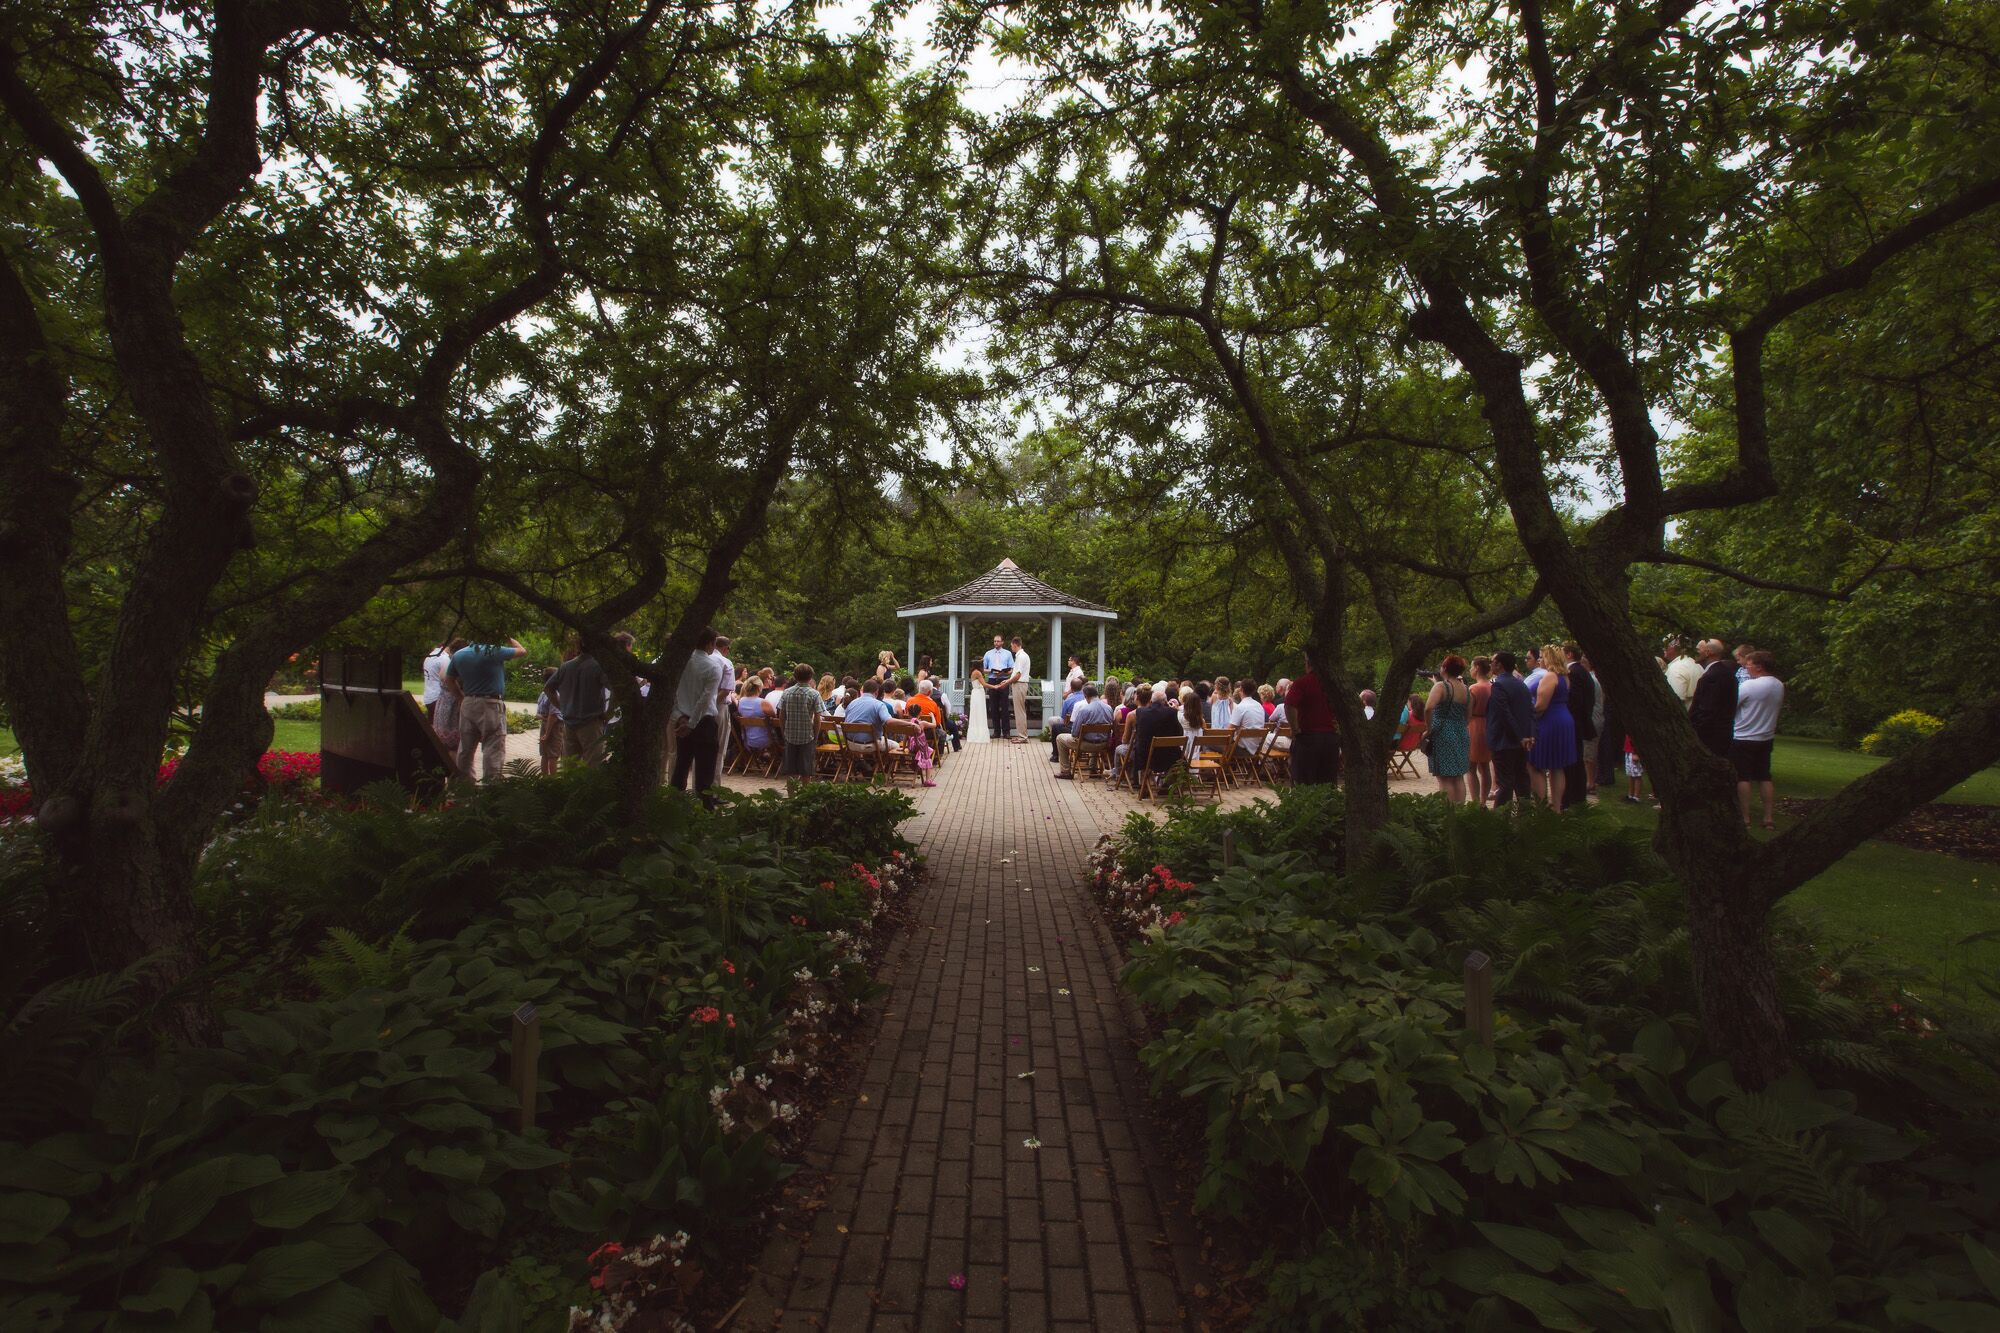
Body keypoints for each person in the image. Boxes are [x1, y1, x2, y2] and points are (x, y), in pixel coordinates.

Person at [445, 636, 526, 783]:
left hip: (468, 702)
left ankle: (464, 790)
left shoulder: (459, 654)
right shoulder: (494, 651)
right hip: (491, 704)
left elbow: (449, 679)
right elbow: (522, 651)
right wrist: (507, 637)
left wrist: (460, 697)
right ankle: (491, 790)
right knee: (493, 748)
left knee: (465, 749)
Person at [669, 627, 725, 800]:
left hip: (682, 719)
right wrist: (692, 724)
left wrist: (680, 718)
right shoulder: (713, 666)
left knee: (681, 766)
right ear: (710, 643)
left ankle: (674, 804)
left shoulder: (679, 663)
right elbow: (706, 699)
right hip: (703, 723)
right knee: (705, 772)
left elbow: (673, 693)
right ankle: (705, 810)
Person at [546, 634, 617, 768]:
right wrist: (609, 713)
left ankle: (569, 789)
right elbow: (616, 689)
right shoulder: (598, 666)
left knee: (569, 767)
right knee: (592, 766)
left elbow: (548, 688)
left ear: (579, 646)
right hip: (591, 724)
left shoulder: (566, 667)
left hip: (569, 724)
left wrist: (561, 707)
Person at [1733, 650, 1785, 830]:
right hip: (1766, 736)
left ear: (1759, 667)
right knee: (1764, 776)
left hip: (1743, 736)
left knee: (1743, 777)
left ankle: (1745, 817)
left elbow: (1733, 704)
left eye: (1749, 663)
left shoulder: (1749, 686)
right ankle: (1768, 817)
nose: (1746, 666)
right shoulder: (1778, 685)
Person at [1529, 642, 1578, 808]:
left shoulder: (1550, 676)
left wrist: (1528, 717)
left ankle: (1540, 805)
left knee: (1536, 764)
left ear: (1549, 658)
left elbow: (1542, 705)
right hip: (1564, 719)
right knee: (1557, 766)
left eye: (1542, 657)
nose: (1540, 660)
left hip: (1550, 721)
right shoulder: (1565, 676)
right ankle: (1556, 806)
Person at [1485, 650, 1537, 805]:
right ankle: (1525, 812)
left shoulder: (1499, 685)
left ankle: (1501, 817)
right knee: (1521, 779)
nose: (1490, 664)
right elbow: (1530, 711)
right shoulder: (1521, 684)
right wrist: (1530, 734)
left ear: (1499, 665)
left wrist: (1521, 735)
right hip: (1521, 741)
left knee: (1505, 782)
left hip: (1504, 739)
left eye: (1492, 661)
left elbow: (1504, 713)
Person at [1285, 651, 1340, 785]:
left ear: (1308, 663)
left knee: (1303, 783)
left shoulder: (1302, 682)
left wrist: (1295, 728)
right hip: (1331, 738)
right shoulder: (1334, 684)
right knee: (1328, 783)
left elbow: (1289, 705)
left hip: (1308, 737)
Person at [1424, 656, 1472, 802]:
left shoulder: (1441, 687)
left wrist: (1429, 729)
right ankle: (1460, 813)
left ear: (1444, 668)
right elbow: (1468, 716)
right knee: (1458, 777)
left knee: (1444, 778)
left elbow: (1428, 708)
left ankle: (1448, 813)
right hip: (1461, 732)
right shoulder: (1466, 690)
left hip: (1442, 733)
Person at [1688, 638, 1739, 759]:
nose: (1694, 653)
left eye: (1698, 649)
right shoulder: (1726, 673)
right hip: (1722, 735)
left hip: (1710, 738)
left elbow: (1706, 711)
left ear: (1708, 652)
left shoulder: (1713, 676)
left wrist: (1694, 735)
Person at [1562, 643, 1597, 810]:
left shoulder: (1574, 673)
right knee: (1576, 760)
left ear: (1569, 654)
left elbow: (1574, 702)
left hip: (1574, 724)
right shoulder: (1581, 672)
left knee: (1572, 762)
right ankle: (1576, 795)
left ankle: (1572, 796)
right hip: (1579, 722)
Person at [1054, 683, 1115, 777]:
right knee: (1094, 736)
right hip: (1103, 744)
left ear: (1086, 696)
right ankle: (1093, 769)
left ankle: (1065, 771)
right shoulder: (1109, 708)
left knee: (1060, 738)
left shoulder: (1085, 710)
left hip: (1086, 745)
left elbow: (1074, 733)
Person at [775, 663, 823, 782]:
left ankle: (791, 796)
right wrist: (816, 735)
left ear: (795, 676)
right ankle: (805, 796)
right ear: (810, 677)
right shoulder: (814, 694)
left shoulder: (786, 692)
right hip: (807, 735)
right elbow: (817, 718)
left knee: (791, 770)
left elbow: (781, 715)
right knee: (806, 770)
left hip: (790, 735)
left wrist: (783, 731)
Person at [842, 678, 897, 772]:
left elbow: (846, 720)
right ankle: (881, 771)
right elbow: (889, 721)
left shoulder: (852, 703)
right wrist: (909, 723)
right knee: (896, 746)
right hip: (870, 744)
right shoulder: (879, 705)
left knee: (877, 740)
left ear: (862, 690)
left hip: (850, 744)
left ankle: (867, 766)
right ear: (876, 692)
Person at [1130, 684, 1181, 781]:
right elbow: (1179, 732)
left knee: (1138, 747)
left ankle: (1143, 784)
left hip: (1145, 757)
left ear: (1151, 701)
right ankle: (1167, 785)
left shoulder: (1140, 712)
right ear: (1165, 702)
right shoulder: (1172, 712)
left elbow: (1139, 732)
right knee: (1177, 752)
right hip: (1168, 757)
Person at [1111, 682, 1154, 780]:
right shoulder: (1155, 713)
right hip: (1153, 748)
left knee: (1119, 749)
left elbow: (1125, 740)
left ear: (1137, 698)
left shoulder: (1132, 715)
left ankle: (1119, 776)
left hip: (1137, 749)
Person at [1467, 656, 1495, 805]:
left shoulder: (1474, 688)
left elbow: (1468, 711)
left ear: (1477, 667)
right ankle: (1484, 802)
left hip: (1474, 726)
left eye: (1471, 666)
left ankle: (1476, 802)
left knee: (1471, 766)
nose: (1470, 670)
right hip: (1489, 725)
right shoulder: (1493, 686)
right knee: (1485, 766)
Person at [981, 636, 1014, 741]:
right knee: (993, 707)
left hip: (1003, 681)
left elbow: (1011, 669)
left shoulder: (1008, 654)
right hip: (992, 680)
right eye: (994, 641)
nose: (996, 643)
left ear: (1002, 642)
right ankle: (996, 731)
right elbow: (983, 669)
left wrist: (1004, 672)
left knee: (1004, 707)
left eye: (998, 641)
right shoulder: (988, 653)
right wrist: (991, 671)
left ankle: (1006, 731)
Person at [535, 669, 565, 776]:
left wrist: (543, 719)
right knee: (553, 756)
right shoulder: (555, 694)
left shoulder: (543, 693)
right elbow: (554, 716)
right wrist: (547, 734)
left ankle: (545, 779)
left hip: (544, 724)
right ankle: (553, 782)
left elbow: (537, 714)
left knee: (545, 754)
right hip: (554, 727)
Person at [1048, 680, 1083, 761]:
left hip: (1074, 730)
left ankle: (1055, 755)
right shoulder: (1086, 698)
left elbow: (1063, 718)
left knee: (1055, 727)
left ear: (1071, 688)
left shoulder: (1069, 700)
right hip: (1088, 732)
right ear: (1082, 687)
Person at [421, 640, 454, 722]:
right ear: (448, 647)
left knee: (432, 723)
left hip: (428, 696)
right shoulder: (444, 658)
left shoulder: (429, 656)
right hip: (438, 696)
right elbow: (446, 678)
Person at [1664, 637, 1701, 709]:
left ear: (1675, 647)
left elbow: (1675, 701)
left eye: (1666, 645)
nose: (1663, 648)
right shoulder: (1697, 665)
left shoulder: (1677, 668)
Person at [1008, 636, 1032, 742]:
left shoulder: (1021, 656)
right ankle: (1021, 735)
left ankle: (1023, 736)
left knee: (1020, 711)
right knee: (1019, 711)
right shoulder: (1020, 656)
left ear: (1015, 644)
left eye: (1011, 646)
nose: (1011, 648)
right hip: (1018, 684)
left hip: (1019, 684)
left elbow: (1018, 675)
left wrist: (1007, 682)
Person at [966, 668, 992, 744]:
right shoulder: (978, 673)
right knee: (980, 713)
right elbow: (984, 684)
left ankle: (975, 735)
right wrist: (995, 686)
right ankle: (979, 736)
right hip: (978, 693)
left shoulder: (975, 672)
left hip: (977, 693)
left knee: (977, 712)